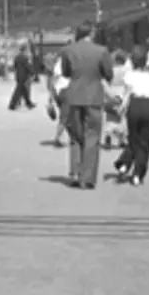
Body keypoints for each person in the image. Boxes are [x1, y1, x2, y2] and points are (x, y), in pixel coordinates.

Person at [59, 20, 114, 189]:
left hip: (74, 96)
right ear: (91, 33)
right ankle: (87, 178)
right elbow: (108, 73)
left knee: (75, 136)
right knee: (92, 136)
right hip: (94, 98)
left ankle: (75, 173)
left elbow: (66, 73)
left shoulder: (68, 50)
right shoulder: (101, 51)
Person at [112, 44, 149, 186]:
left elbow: (127, 94)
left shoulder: (130, 75)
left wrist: (122, 108)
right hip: (148, 106)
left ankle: (124, 164)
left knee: (133, 139)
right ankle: (137, 175)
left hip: (134, 106)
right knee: (145, 142)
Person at [101, 50, 129, 149]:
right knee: (122, 118)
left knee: (110, 118)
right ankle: (122, 140)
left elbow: (104, 82)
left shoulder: (110, 70)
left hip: (111, 93)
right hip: (123, 94)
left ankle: (108, 136)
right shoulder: (127, 70)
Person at [46, 48, 71, 147]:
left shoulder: (58, 63)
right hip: (66, 91)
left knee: (69, 116)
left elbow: (53, 81)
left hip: (59, 92)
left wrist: (51, 97)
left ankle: (74, 137)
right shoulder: (65, 63)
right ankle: (57, 138)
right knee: (65, 116)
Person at [8, 44, 36, 111]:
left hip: (18, 76)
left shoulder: (17, 57)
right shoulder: (25, 58)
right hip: (23, 76)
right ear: (24, 50)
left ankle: (29, 104)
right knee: (18, 91)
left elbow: (14, 66)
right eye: (26, 50)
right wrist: (32, 72)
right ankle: (12, 105)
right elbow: (27, 66)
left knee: (24, 91)